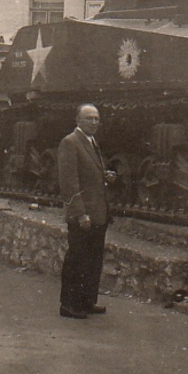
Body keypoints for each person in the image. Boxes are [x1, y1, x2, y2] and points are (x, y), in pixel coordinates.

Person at [57, 103, 115, 319]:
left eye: (97, 119)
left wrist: (105, 176)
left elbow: (89, 173)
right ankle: (69, 305)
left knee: (93, 259)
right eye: (89, 118)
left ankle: (87, 300)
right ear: (78, 120)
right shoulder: (70, 142)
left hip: (98, 214)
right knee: (77, 259)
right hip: (84, 215)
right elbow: (69, 183)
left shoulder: (91, 142)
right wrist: (80, 213)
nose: (94, 123)